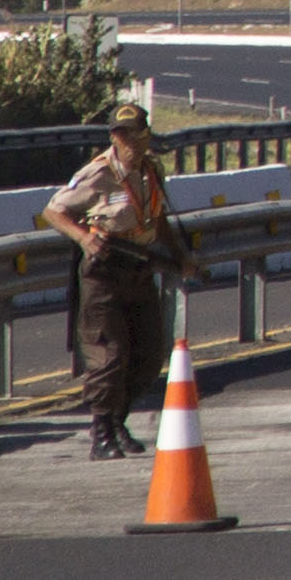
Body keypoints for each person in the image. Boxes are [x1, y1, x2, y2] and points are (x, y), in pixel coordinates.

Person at [40, 97, 186, 460]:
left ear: (146, 135)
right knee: (109, 354)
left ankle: (118, 420)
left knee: (149, 354)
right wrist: (84, 238)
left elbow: (157, 217)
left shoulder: (151, 170)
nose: (128, 141)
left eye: (135, 133)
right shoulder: (99, 173)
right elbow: (53, 211)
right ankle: (102, 431)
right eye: (121, 135)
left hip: (140, 268)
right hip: (105, 271)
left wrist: (180, 255)